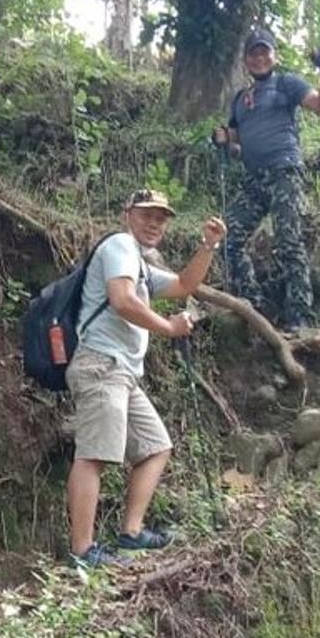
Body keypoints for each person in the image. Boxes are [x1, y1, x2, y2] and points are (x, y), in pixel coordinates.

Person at [66, 189, 227, 568]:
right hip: (101, 366)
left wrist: (208, 245)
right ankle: (83, 552)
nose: (154, 222)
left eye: (161, 217)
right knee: (93, 456)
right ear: (128, 214)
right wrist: (169, 328)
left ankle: (132, 534)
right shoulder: (120, 245)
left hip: (121, 373)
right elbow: (122, 300)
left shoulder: (139, 263)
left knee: (156, 445)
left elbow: (185, 285)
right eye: (147, 215)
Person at [213, 28, 320, 332]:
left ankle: (300, 318)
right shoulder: (240, 99)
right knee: (227, 239)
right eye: (253, 54)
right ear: (245, 61)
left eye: (264, 52)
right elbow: (238, 145)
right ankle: (255, 307)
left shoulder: (287, 84)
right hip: (254, 179)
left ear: (274, 56)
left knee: (288, 242)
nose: (259, 58)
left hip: (284, 172)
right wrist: (225, 138)